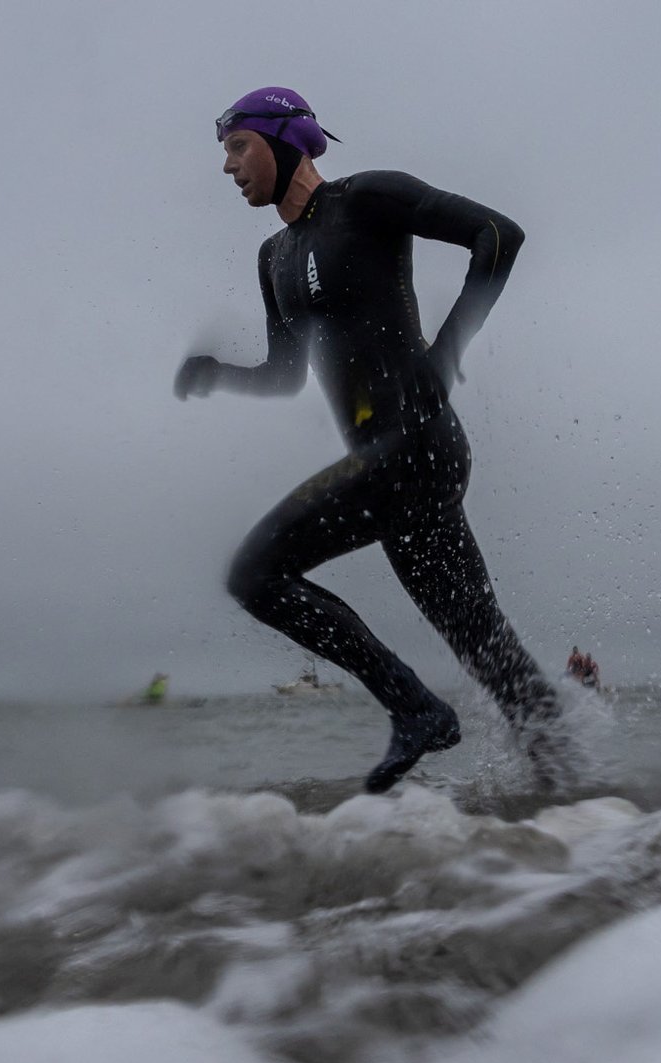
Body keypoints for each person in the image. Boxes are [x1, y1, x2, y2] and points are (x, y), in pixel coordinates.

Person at [177, 87, 565, 793]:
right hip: (386, 467)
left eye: (239, 146)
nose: (228, 166)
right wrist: (219, 375)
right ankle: (578, 799)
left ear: (286, 139)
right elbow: (286, 375)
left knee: (254, 575)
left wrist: (445, 354)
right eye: (225, 151)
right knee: (488, 648)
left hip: (417, 447)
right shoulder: (274, 258)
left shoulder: (368, 199)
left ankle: (415, 707)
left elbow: (500, 235)